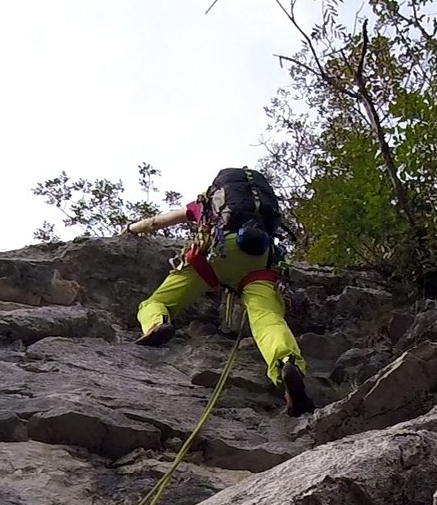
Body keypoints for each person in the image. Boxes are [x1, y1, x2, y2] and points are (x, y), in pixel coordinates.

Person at [124, 167, 314, 416]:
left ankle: (157, 323)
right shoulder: (263, 211)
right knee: (267, 319)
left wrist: (131, 229)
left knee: (156, 302)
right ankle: (287, 363)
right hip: (260, 258)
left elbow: (158, 222)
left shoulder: (204, 204)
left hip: (214, 255)